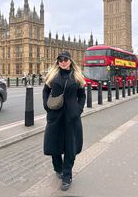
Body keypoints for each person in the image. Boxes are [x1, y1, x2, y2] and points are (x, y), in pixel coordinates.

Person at [42, 51, 86, 191]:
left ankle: (67, 176)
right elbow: (45, 91)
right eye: (60, 59)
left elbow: (82, 95)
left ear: (70, 60)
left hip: (71, 117)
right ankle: (58, 168)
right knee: (53, 144)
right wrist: (47, 106)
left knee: (70, 147)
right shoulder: (52, 76)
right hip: (55, 116)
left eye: (65, 59)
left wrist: (78, 110)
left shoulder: (77, 77)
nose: (63, 61)